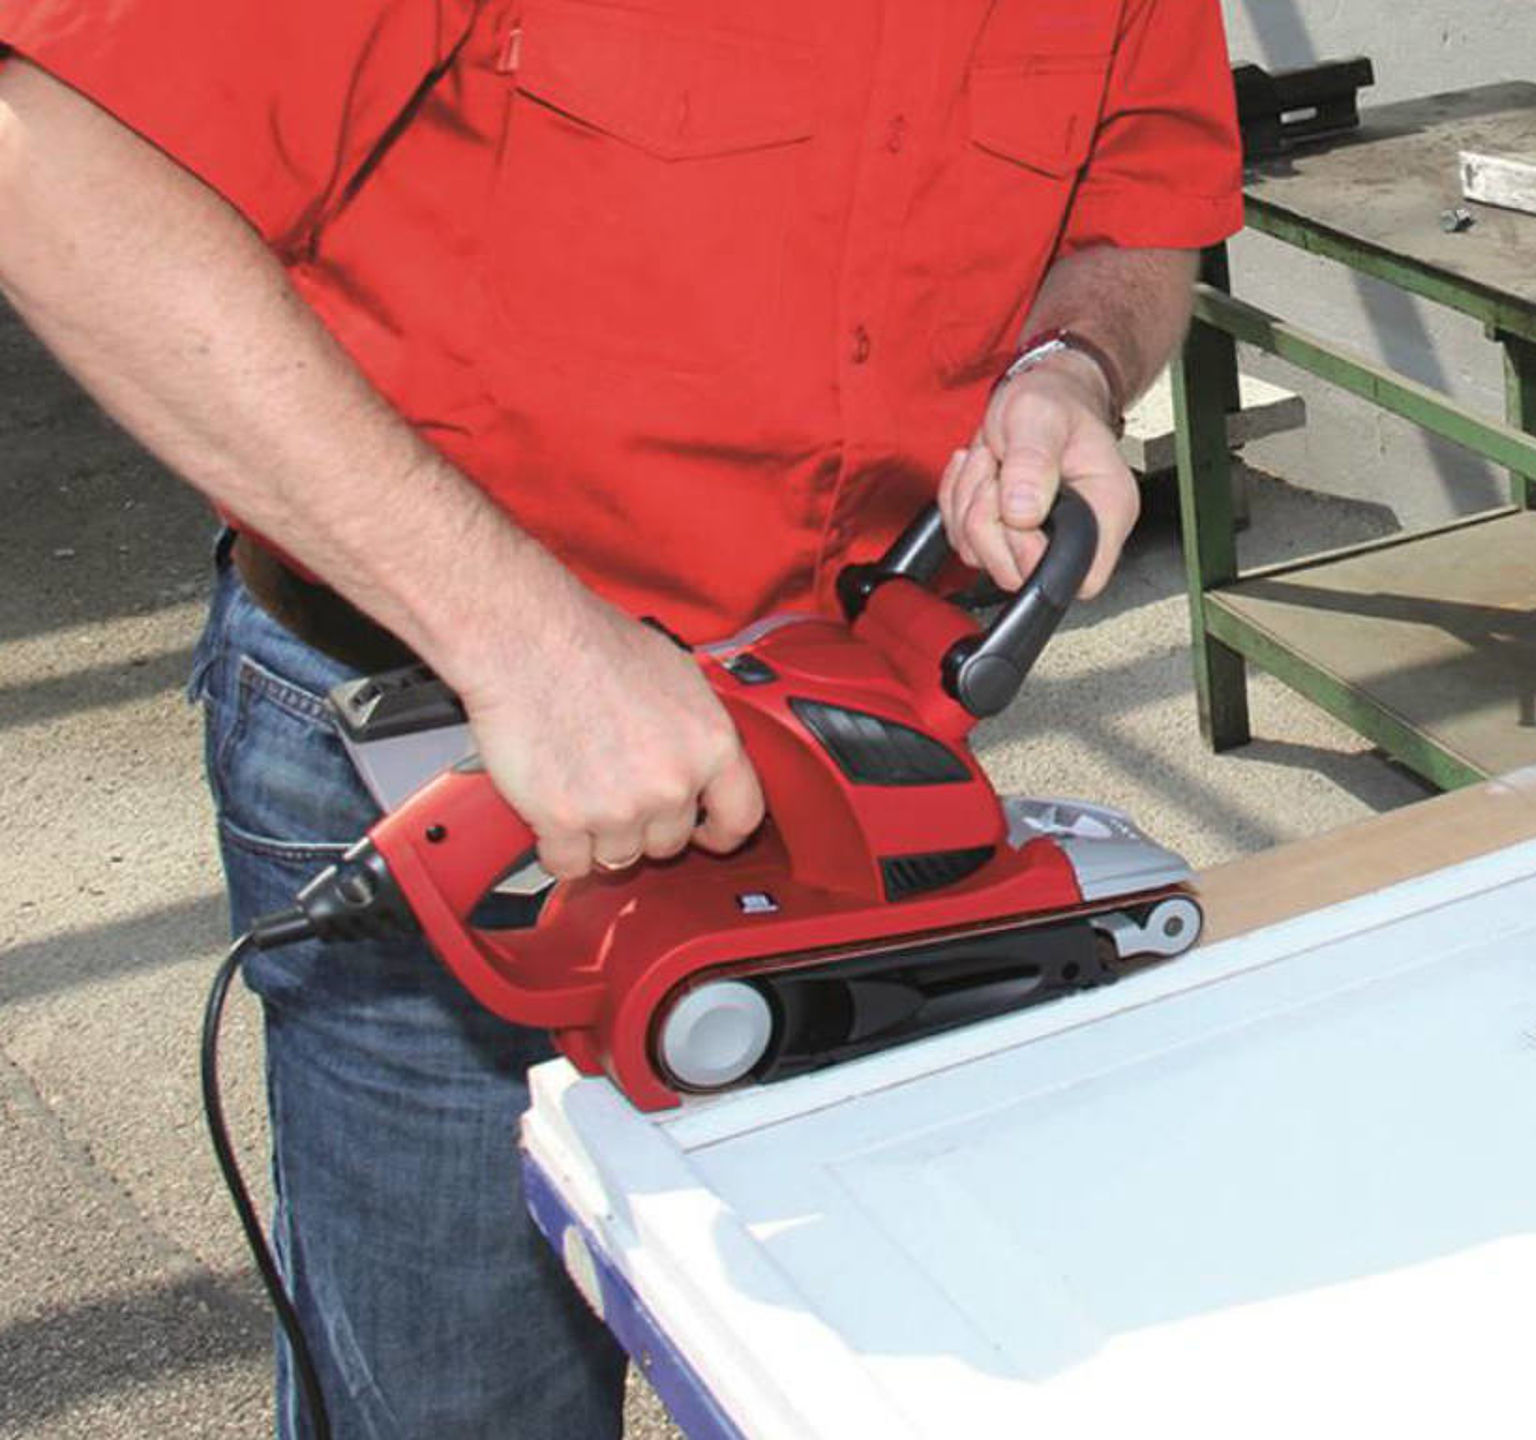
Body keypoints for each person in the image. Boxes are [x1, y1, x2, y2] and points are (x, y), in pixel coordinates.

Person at [0, 2, 1242, 1435]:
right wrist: (524, 640)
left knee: (887, 1357)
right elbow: (51, 166)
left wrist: (1067, 367)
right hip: (446, 757)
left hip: (845, 754)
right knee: (463, 1396)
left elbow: (1143, 205)